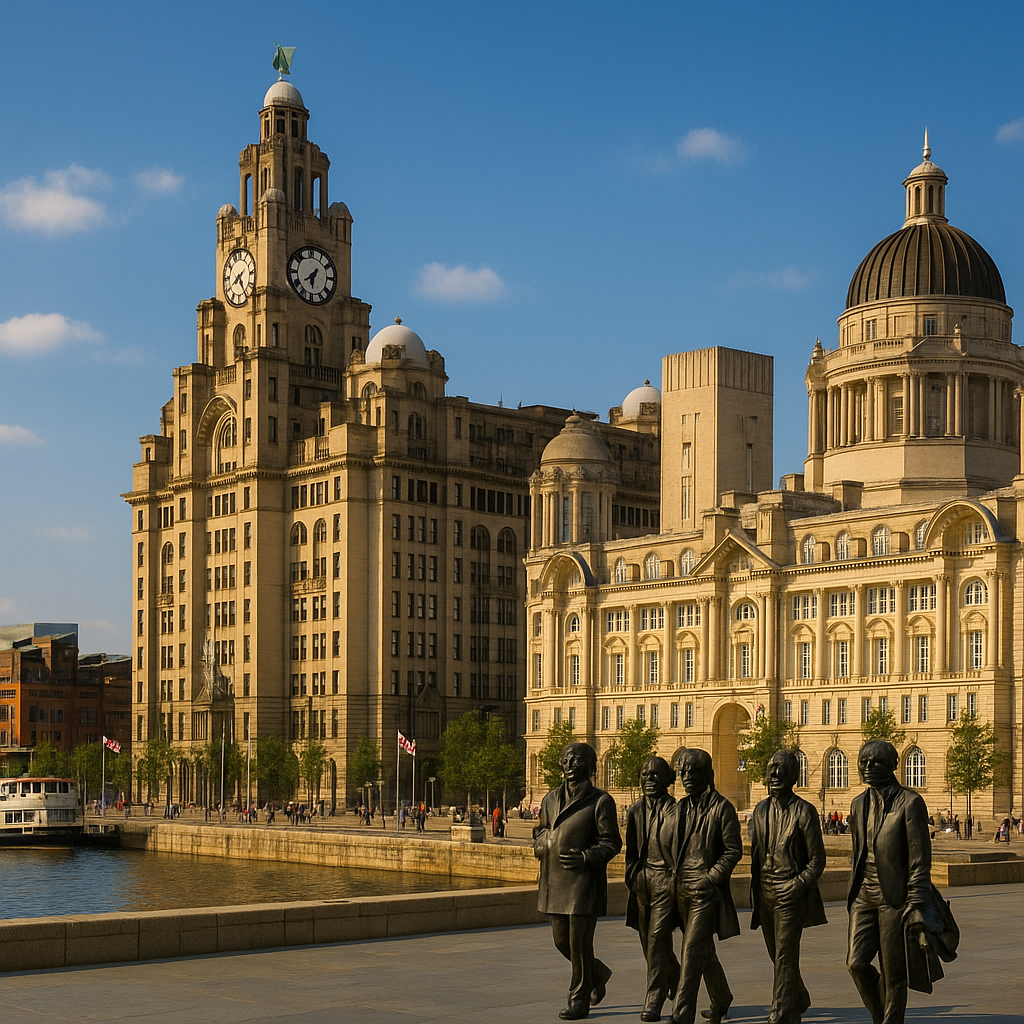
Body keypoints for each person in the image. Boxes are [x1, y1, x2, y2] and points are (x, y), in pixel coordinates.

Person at [847, 740, 959, 1024]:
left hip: (894, 897)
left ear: (893, 765)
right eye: (864, 762)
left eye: (876, 762)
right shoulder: (858, 804)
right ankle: (880, 1015)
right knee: (856, 963)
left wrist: (917, 904)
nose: (869, 767)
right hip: (863, 895)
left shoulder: (910, 802)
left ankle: (891, 1020)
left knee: (893, 970)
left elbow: (919, 859)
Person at [534, 742, 622, 1020]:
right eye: (566, 760)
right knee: (561, 942)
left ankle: (579, 998)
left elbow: (611, 843)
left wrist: (586, 858)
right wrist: (541, 843)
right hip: (554, 881)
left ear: (590, 767)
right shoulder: (550, 799)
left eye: (577, 760)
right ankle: (598, 972)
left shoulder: (600, 801)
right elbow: (541, 830)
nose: (570, 765)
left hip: (583, 883)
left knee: (580, 945)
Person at [749, 750, 827, 1024]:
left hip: (790, 892)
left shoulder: (805, 811)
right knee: (776, 953)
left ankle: (781, 1014)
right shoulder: (759, 811)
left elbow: (818, 860)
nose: (775, 774)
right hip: (765, 892)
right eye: (771, 768)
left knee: (784, 954)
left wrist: (798, 884)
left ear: (794, 776)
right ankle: (800, 996)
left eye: (782, 769)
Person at [669, 748, 741, 1024]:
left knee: (691, 949)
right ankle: (721, 997)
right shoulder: (680, 808)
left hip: (706, 892)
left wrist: (711, 878)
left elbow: (732, 851)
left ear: (708, 775)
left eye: (692, 771)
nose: (686, 777)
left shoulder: (722, 808)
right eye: (682, 772)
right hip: (680, 890)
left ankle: (682, 1013)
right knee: (703, 951)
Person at [624, 756, 680, 1022]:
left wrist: (672, 881)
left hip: (665, 884)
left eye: (656, 775)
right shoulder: (634, 812)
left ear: (667, 780)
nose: (650, 780)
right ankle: (677, 976)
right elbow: (631, 854)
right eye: (645, 775)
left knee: (657, 940)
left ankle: (654, 998)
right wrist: (633, 877)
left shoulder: (676, 811)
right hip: (642, 884)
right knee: (647, 942)